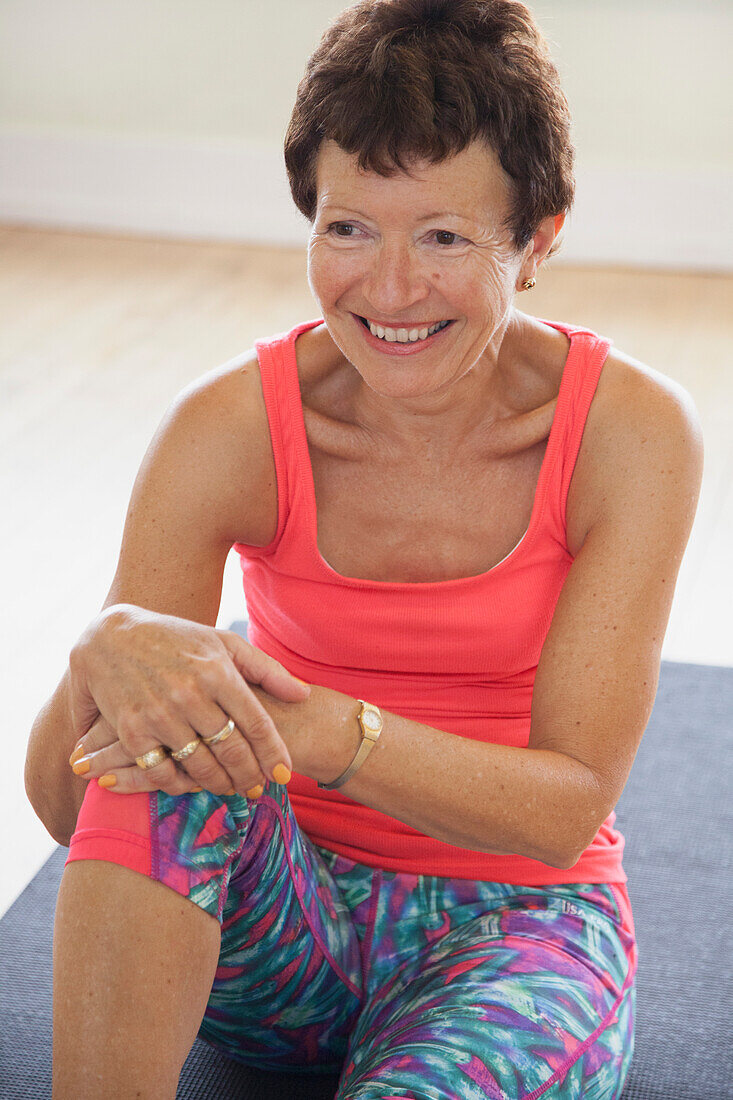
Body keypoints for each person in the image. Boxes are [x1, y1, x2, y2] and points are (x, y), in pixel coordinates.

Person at [25, 1, 704, 1097]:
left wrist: (327, 730)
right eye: (348, 230)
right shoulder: (228, 428)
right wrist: (103, 653)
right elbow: (77, 807)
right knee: (170, 721)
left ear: (538, 238)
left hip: (519, 922)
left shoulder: (630, 432)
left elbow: (565, 805)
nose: (387, 292)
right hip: (283, 925)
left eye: (443, 236)